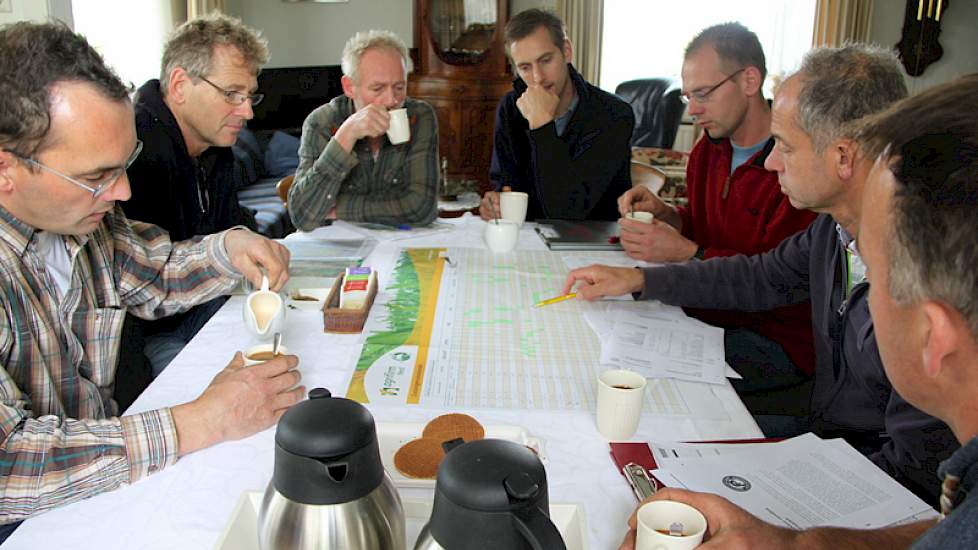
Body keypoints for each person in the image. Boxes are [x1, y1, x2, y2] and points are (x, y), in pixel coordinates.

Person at [564, 45, 958, 503]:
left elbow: (915, 480)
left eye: (785, 147)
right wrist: (639, 281)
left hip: (865, 480)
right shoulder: (832, 231)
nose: (771, 162)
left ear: (844, 157)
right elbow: (759, 276)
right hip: (826, 438)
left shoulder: (920, 276)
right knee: (640, 448)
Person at [0, 21, 303, 532]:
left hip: (97, 483)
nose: (121, 192)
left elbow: (152, 271)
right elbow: (10, 465)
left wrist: (228, 247)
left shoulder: (80, 222)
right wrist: (202, 419)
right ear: (6, 170)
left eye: (125, 166)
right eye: (97, 176)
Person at [618, 23, 818, 403]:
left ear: (749, 80)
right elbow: (704, 229)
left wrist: (684, 253)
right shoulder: (707, 151)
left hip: (773, 339)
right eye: (688, 96)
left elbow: (776, 283)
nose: (692, 110)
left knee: (648, 383)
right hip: (706, 315)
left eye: (704, 94)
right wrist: (667, 216)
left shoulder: (796, 167)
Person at [124, 13, 266, 376]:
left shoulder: (215, 146)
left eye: (249, 95)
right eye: (232, 94)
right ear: (180, 84)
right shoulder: (133, 149)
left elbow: (231, 224)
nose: (247, 111)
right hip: (147, 335)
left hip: (207, 304)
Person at [480, 8, 633, 221]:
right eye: (525, 67)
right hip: (530, 240)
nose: (538, 77)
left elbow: (569, 212)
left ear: (567, 51)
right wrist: (494, 203)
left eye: (545, 60)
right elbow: (506, 186)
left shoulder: (613, 115)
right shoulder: (510, 107)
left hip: (593, 244)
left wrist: (542, 125)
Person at [288, 29, 439, 230]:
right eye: (378, 89)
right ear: (349, 87)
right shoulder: (321, 122)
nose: (391, 100)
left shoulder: (419, 116)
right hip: (340, 247)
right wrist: (345, 136)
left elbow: (422, 208)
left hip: (398, 243)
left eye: (399, 87)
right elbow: (303, 216)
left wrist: (337, 209)